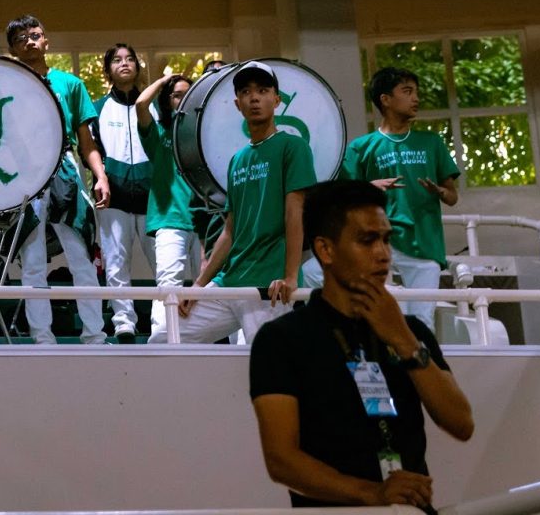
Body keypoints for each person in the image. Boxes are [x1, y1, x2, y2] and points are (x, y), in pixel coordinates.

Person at [250, 179, 473, 512]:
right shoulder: (282, 339)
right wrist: (372, 493)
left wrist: (405, 343)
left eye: (385, 239)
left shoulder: (409, 332)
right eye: (367, 240)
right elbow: (281, 460)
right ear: (325, 250)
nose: (383, 254)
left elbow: (461, 423)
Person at [151, 62, 316, 344]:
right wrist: (199, 286)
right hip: (229, 282)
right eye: (246, 92)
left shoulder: (293, 147)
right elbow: (230, 230)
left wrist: (290, 276)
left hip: (270, 286)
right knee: (164, 339)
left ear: (276, 100)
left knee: (263, 369)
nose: (255, 98)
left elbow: (294, 212)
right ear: (237, 104)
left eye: (263, 91)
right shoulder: (237, 160)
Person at [303, 67, 459, 330]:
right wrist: (369, 187)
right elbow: (342, 197)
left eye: (416, 93)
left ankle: (418, 367)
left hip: (424, 243)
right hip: (375, 240)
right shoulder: (362, 147)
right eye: (407, 92)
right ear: (385, 100)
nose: (416, 99)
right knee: (310, 272)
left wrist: (439, 192)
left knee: (422, 323)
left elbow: (453, 197)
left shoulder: (431, 142)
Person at [6, 14, 111, 344]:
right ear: (13, 49)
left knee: (79, 253)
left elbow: (86, 139)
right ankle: (42, 337)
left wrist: (100, 175)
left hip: (65, 164)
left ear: (46, 40)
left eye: (36, 35)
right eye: (22, 38)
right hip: (25, 169)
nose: (31, 41)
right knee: (32, 258)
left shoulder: (70, 84)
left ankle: (94, 334)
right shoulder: (10, 86)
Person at [90, 43, 155, 343]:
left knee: (162, 263)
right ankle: (123, 322)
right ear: (108, 70)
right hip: (113, 196)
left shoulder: (153, 107)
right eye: (117, 60)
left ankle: (164, 321)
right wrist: (101, 178)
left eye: (130, 58)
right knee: (116, 262)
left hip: (153, 197)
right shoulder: (98, 108)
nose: (124, 64)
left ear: (138, 68)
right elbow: (90, 151)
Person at [135, 73, 199, 337]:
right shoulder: (159, 132)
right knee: (168, 285)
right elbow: (140, 105)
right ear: (167, 101)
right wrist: (164, 81)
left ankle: (217, 345)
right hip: (170, 217)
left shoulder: (202, 133)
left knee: (214, 287)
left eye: (187, 94)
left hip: (206, 218)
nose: (182, 99)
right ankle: (161, 344)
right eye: (176, 95)